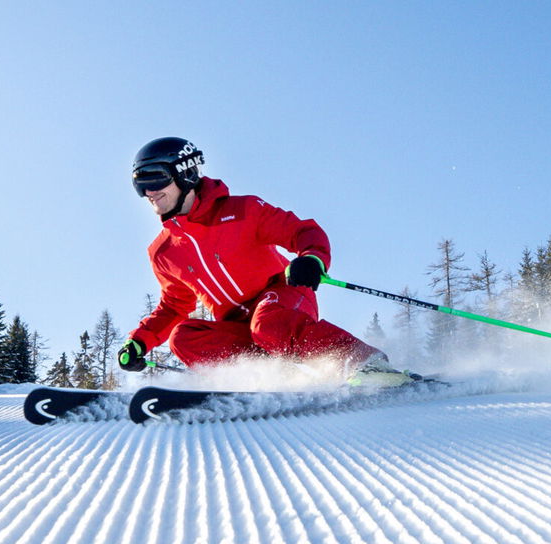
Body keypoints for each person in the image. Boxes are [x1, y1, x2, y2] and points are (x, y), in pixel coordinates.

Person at [117, 137, 413, 387]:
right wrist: (140, 341)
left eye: (155, 178)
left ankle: (367, 366)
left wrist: (311, 259)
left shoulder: (242, 210)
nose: (149, 192)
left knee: (267, 322)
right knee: (184, 338)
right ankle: (272, 380)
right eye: (139, 185)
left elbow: (302, 231)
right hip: (239, 324)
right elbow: (174, 305)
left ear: (185, 174)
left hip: (284, 295)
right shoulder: (164, 252)